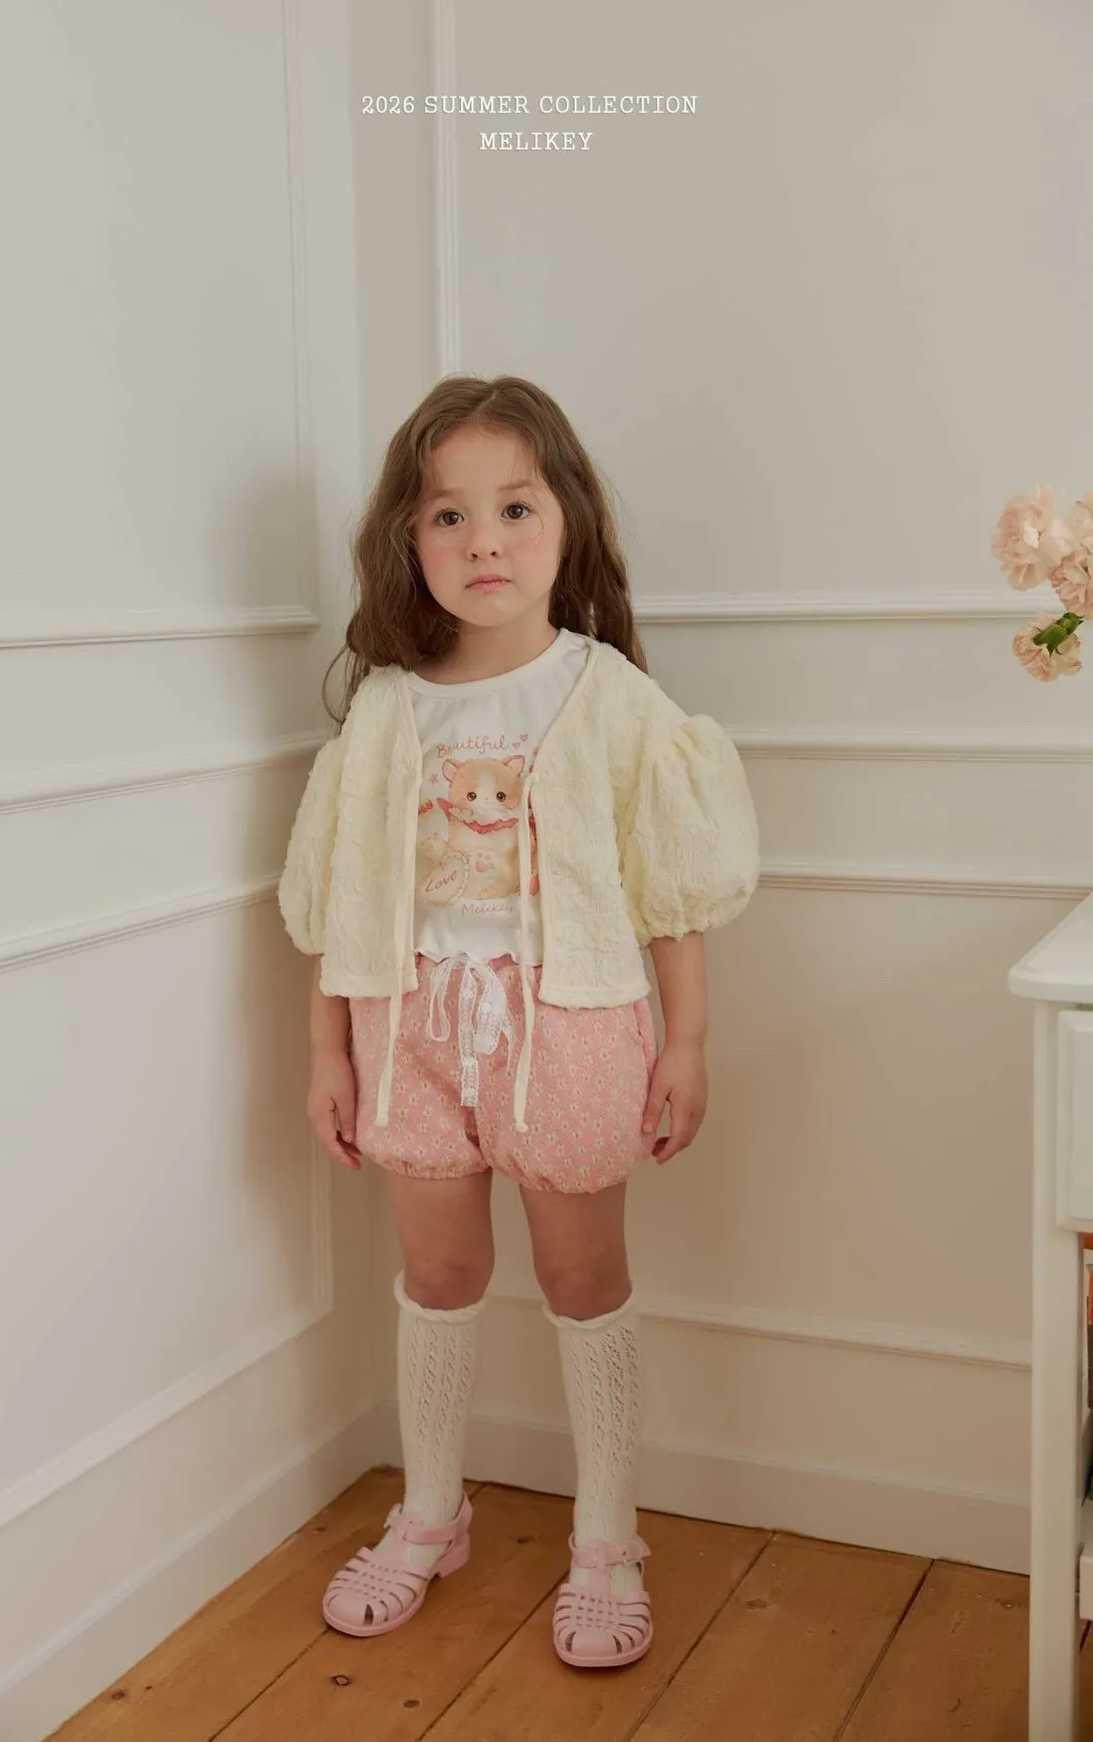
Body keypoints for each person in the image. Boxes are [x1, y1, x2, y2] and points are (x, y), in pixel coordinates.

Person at [277, 374, 760, 1669]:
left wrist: (689, 1041)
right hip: (407, 1031)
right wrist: (325, 1053)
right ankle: (432, 1513)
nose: (483, 540)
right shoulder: (387, 708)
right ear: (409, 538)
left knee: (581, 1278)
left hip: (578, 1030)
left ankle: (608, 1536)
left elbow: (668, 889)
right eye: (448, 514)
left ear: (568, 523)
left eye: (514, 507)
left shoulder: (608, 697)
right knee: (437, 1276)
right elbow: (338, 898)